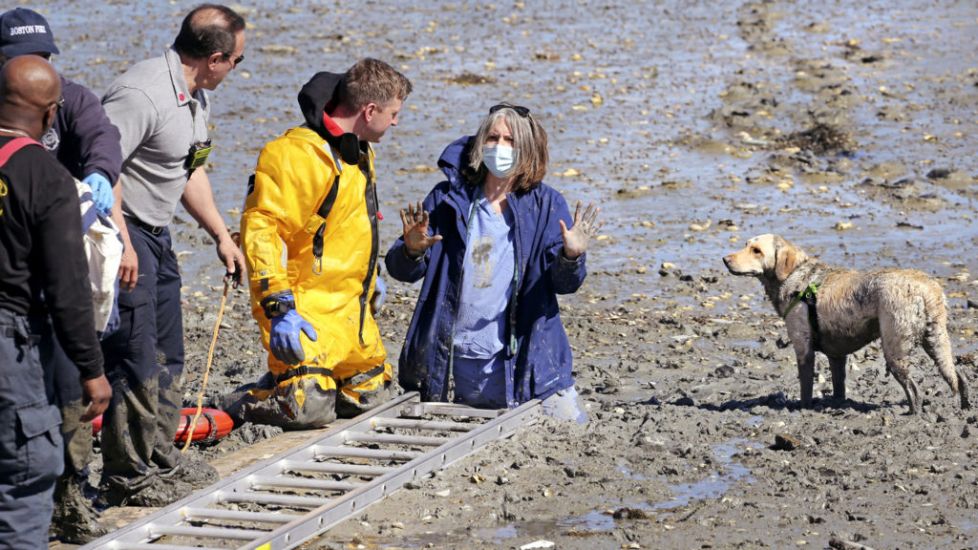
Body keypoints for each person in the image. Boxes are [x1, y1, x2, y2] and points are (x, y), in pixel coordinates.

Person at [97, 3, 246, 507]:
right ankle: (125, 475)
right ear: (216, 58)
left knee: (168, 353)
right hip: (124, 229)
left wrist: (221, 235)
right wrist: (119, 238)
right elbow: (101, 169)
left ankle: (160, 457)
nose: (236, 70)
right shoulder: (142, 94)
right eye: (237, 62)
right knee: (134, 358)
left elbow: (190, 172)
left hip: (157, 234)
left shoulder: (197, 98)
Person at [385, 104, 599, 421]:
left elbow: (565, 284)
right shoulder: (448, 199)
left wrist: (572, 255)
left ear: (525, 149)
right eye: (493, 138)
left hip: (527, 367)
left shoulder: (546, 205)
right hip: (455, 366)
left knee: (569, 430)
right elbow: (401, 270)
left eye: (509, 141)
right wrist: (412, 250)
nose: (499, 147)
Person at [229, 58, 412, 429]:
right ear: (369, 110)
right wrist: (278, 307)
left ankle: (312, 378)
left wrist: (371, 276)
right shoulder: (295, 155)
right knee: (307, 408)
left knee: (374, 395)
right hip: (303, 311)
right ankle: (242, 402)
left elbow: (351, 227)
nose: (396, 122)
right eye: (393, 113)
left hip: (350, 312)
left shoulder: (359, 152)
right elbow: (261, 231)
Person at [0, 7, 123, 542]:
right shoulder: (46, 178)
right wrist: (92, 369)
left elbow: (102, 138)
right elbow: (70, 287)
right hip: (14, 343)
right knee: (26, 479)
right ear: (51, 117)